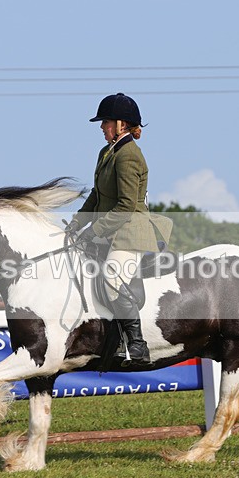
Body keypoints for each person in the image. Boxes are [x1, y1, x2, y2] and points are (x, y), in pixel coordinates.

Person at [67, 93, 170, 366]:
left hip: (130, 231)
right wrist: (77, 223)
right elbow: (97, 196)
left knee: (112, 278)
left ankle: (137, 346)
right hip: (111, 229)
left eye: (106, 122)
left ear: (122, 124)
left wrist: (93, 230)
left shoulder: (129, 156)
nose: (102, 127)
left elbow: (125, 205)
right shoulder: (106, 153)